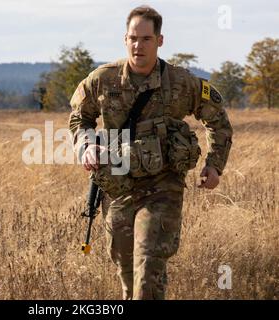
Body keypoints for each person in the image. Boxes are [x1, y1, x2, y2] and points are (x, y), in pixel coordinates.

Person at [68, 5, 233, 299]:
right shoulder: (102, 80)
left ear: (159, 40)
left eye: (146, 39)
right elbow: (79, 118)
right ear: (125, 39)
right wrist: (86, 145)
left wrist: (214, 165)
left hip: (162, 188)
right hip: (119, 187)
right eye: (133, 38)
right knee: (128, 276)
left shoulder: (182, 83)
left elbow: (217, 119)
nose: (138, 45)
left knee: (148, 271)